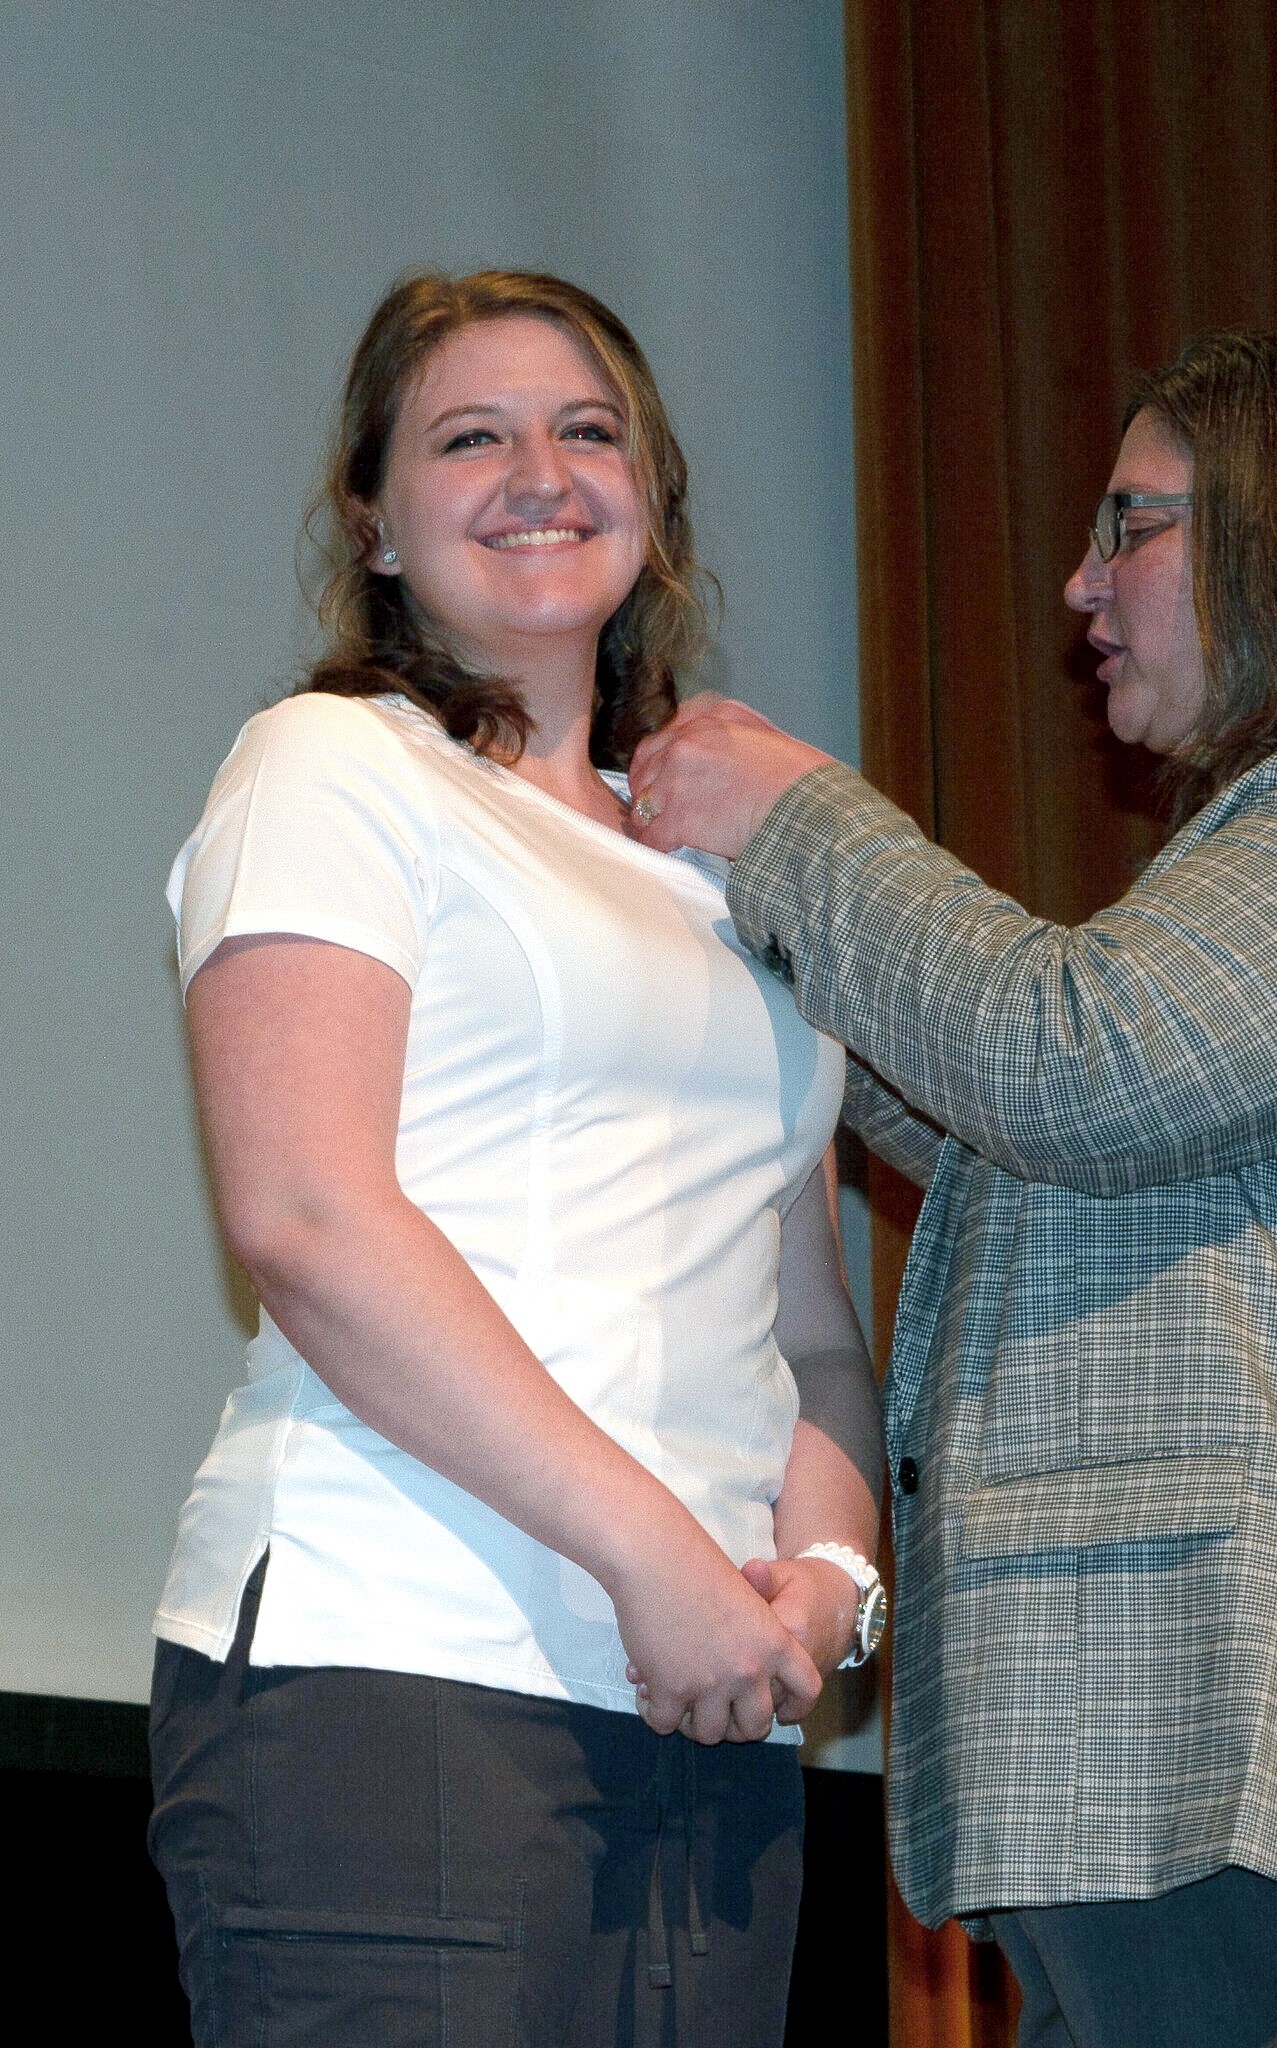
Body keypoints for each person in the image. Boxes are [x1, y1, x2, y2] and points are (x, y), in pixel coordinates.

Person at [627, 327, 1277, 2047]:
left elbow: (1069, 1063)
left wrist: (796, 818)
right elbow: (1009, 1122)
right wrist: (733, 932)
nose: (1078, 581)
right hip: (1226, 1789)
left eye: (1135, 527)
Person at [147, 269, 884, 2048]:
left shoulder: (723, 862)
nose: (538, 472)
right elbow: (308, 1216)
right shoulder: (329, 766)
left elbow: (809, 1338)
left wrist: (834, 1581)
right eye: (468, 436)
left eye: (586, 430)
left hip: (705, 1717)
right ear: (375, 523)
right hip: (400, 1672)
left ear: (655, 497)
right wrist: (653, 1557)